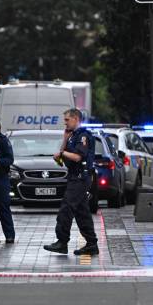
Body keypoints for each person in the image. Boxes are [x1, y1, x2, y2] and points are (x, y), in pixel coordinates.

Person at [43, 108, 98, 256]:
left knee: (66, 209)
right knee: (82, 212)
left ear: (75, 119)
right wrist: (64, 140)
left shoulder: (83, 136)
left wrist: (62, 153)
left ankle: (62, 242)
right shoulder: (72, 136)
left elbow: (78, 157)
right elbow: (62, 159)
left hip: (81, 177)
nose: (65, 123)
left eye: (67, 120)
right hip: (74, 176)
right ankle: (92, 244)